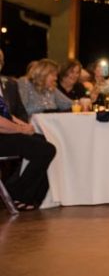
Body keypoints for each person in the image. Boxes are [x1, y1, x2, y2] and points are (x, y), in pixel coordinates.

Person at [0, 49, 56, 211]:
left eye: (1, 60)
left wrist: (24, 126)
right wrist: (21, 129)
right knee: (46, 150)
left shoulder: (4, 83)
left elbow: (7, 114)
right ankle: (15, 192)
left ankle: (32, 197)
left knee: (43, 141)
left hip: (5, 132)